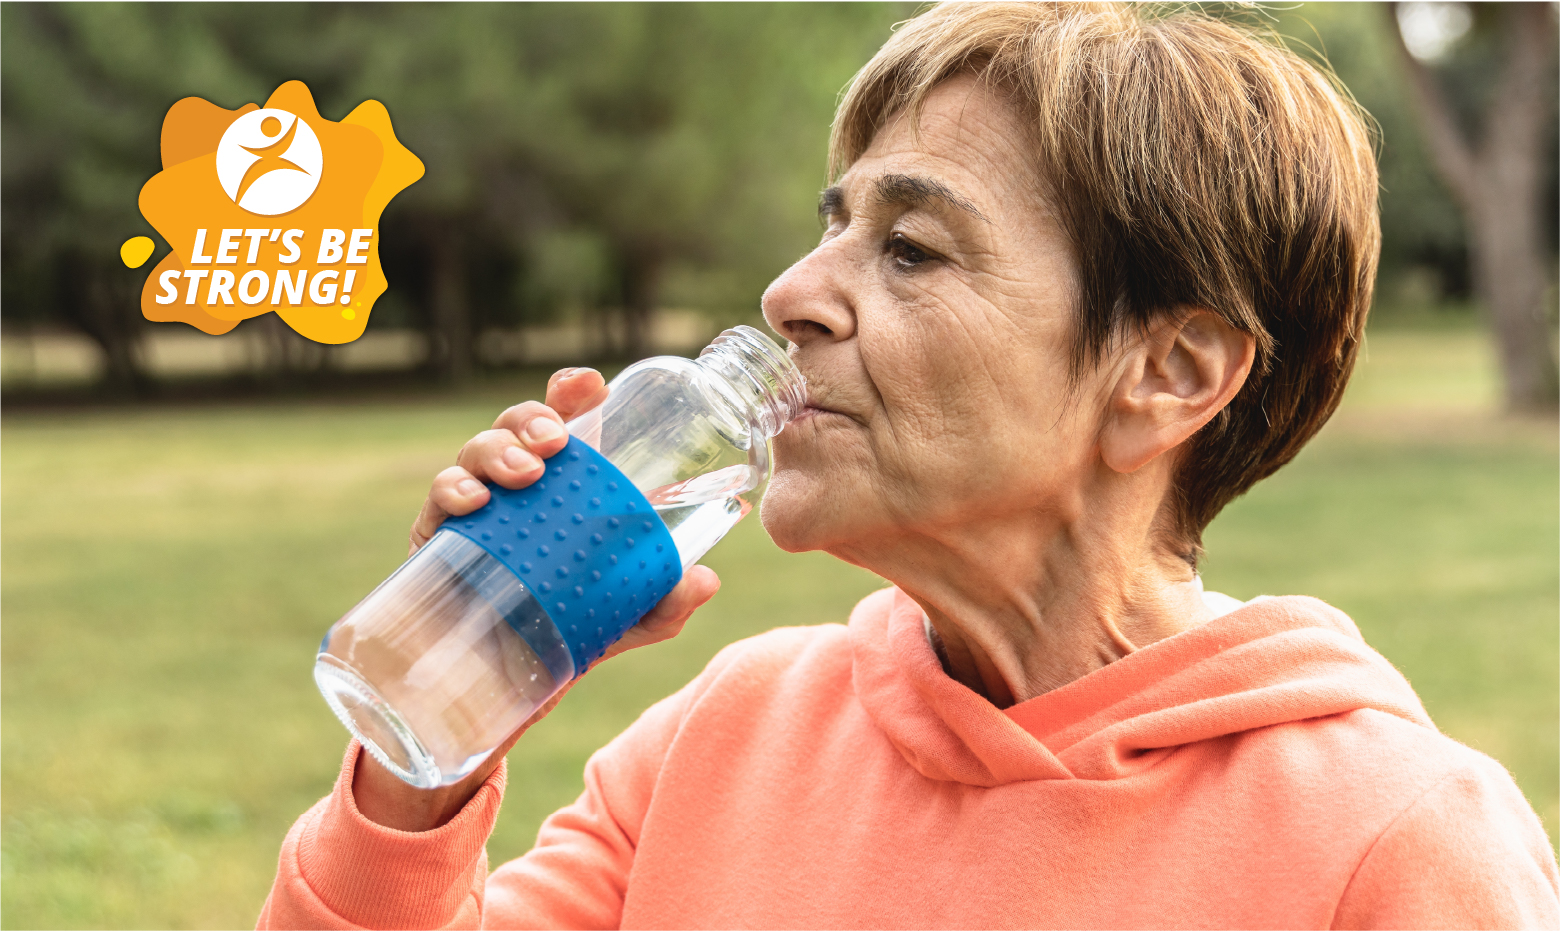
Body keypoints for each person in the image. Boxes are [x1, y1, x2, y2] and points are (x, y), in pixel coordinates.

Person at [259, 3, 1560, 928]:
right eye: (834, 230)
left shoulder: (1393, 845)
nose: (791, 295)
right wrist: (435, 733)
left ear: (1171, 373)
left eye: (914, 252)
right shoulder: (726, 737)